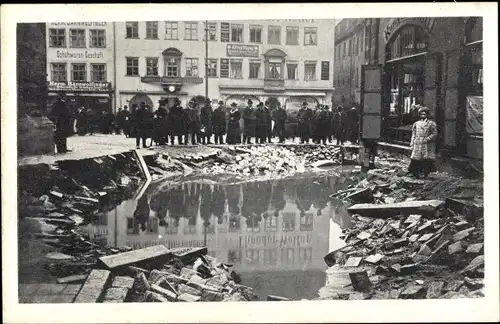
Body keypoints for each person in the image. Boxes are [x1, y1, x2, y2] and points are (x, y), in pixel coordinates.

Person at [408, 106, 438, 179]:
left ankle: (425, 173)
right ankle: (414, 173)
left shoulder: (431, 124)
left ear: (427, 114)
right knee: (416, 159)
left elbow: (434, 134)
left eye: (424, 114)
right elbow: (413, 134)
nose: (423, 116)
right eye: (421, 114)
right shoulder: (416, 123)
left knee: (426, 159)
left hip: (426, 144)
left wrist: (427, 139)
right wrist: (412, 143)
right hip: (417, 143)